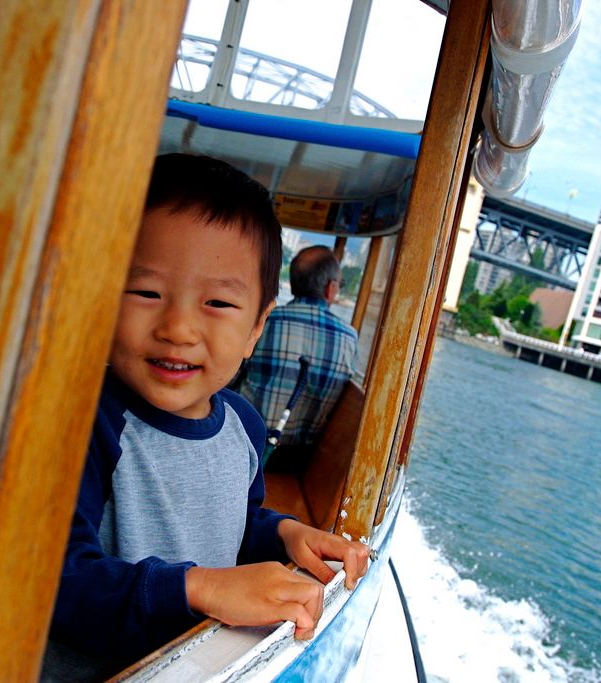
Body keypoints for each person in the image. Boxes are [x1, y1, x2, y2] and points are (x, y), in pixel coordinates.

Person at [45, 154, 370, 678]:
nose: (178, 327)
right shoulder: (81, 418)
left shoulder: (242, 426)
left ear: (256, 330)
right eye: (147, 293)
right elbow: (53, 582)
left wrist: (284, 533)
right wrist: (204, 588)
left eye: (217, 303)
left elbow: (227, 527)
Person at [238, 246, 359, 455]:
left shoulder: (266, 320)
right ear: (330, 289)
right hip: (298, 457)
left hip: (243, 442)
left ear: (293, 283)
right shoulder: (349, 337)